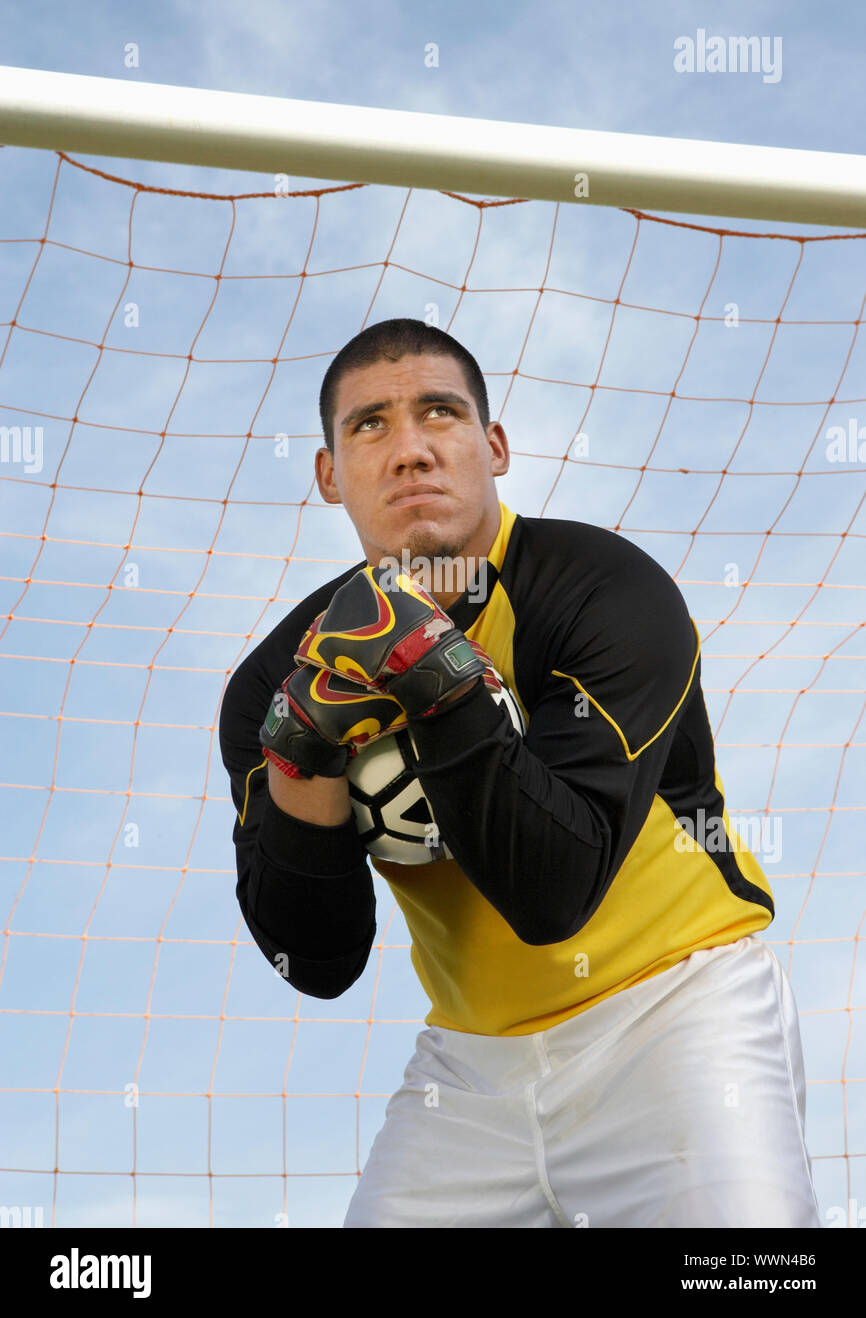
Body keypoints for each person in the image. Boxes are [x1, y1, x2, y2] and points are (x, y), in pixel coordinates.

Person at [218, 317, 820, 1229]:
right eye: (370, 426)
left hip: (676, 1014)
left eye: (440, 414)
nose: (411, 450)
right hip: (470, 1067)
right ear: (329, 474)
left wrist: (435, 677)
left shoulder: (607, 592)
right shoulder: (279, 677)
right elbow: (319, 957)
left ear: (493, 447)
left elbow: (553, 896)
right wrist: (303, 754)